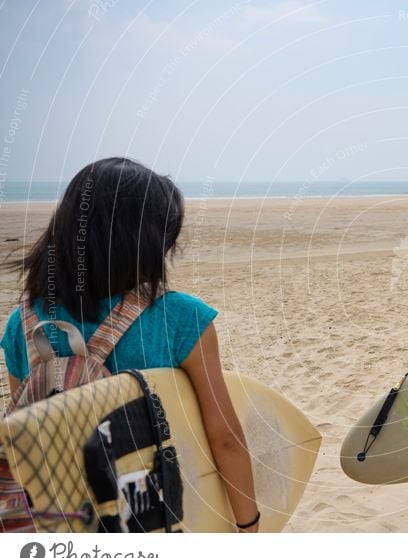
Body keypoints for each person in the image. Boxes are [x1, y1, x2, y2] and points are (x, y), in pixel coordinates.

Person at [1, 157, 259, 532]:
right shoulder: (181, 319)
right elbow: (225, 440)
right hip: (150, 519)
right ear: (149, 242)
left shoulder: (21, 324)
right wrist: (248, 525)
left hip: (62, 524)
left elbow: (27, 431)